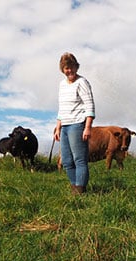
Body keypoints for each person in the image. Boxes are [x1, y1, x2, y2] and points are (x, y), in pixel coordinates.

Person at [54, 53, 95, 195]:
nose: (69, 71)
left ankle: (80, 190)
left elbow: (89, 105)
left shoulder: (82, 82)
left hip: (77, 124)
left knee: (79, 159)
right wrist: (58, 127)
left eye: (71, 67)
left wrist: (87, 127)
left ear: (76, 67)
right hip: (64, 125)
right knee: (66, 160)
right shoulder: (62, 85)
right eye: (66, 68)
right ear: (62, 69)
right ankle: (74, 187)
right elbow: (62, 107)